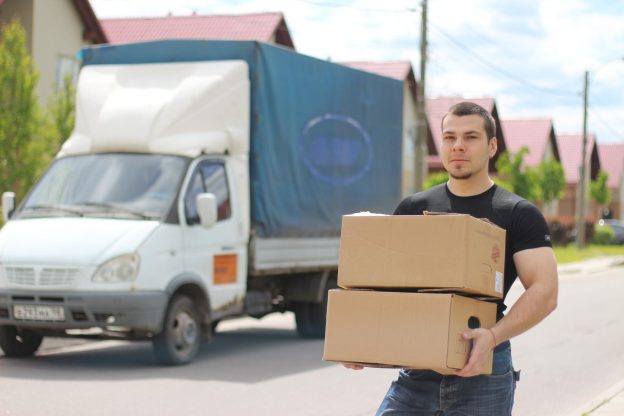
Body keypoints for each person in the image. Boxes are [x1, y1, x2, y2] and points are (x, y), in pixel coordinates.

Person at [343, 101, 559, 415]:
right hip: (419, 366)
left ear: (492, 146)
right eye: (449, 137)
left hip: (483, 362)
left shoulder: (517, 213)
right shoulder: (413, 208)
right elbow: (386, 289)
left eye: (470, 137)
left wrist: (493, 336)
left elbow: (546, 291)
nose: (458, 146)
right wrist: (364, 341)